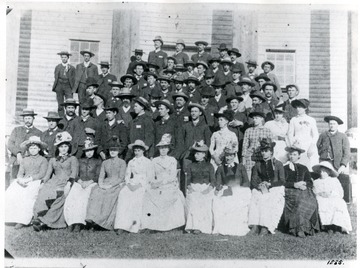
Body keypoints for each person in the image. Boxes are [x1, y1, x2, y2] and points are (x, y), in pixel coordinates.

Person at [32, 131, 79, 231]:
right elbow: (48, 174)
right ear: (58, 148)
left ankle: (45, 221)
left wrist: (69, 183)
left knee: (60, 195)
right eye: (61, 147)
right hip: (54, 181)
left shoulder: (72, 159)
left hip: (66, 182)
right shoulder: (53, 160)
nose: (63, 149)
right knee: (44, 191)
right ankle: (38, 217)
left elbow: (74, 173)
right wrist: (42, 183)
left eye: (65, 146)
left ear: (69, 147)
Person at [141, 134, 186, 232]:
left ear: (168, 149)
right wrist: (155, 183)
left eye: (165, 148)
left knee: (172, 195)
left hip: (169, 184)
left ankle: (173, 224)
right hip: (157, 184)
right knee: (149, 195)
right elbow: (151, 176)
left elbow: (173, 175)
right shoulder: (155, 161)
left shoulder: (172, 160)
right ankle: (152, 224)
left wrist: (164, 182)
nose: (163, 150)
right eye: (161, 148)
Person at [5, 136, 48, 229]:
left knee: (27, 195)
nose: (33, 150)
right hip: (24, 180)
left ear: (39, 149)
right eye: (31, 148)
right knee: (11, 191)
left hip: (36, 181)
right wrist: (20, 179)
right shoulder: (25, 159)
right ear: (28, 149)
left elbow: (42, 173)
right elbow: (20, 173)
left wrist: (30, 179)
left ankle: (22, 220)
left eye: (35, 148)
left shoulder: (43, 160)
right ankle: (11, 217)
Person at [86, 136, 126, 231]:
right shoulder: (105, 162)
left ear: (118, 151)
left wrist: (111, 185)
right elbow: (101, 176)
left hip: (116, 184)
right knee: (96, 192)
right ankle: (93, 220)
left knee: (109, 195)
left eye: (115, 150)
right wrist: (101, 184)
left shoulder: (122, 162)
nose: (112, 152)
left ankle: (103, 221)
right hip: (105, 182)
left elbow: (121, 178)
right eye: (111, 150)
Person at [114, 140, 155, 234]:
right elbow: (127, 175)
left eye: (139, 150)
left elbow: (150, 177)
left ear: (143, 151)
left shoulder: (148, 162)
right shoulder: (131, 162)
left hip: (142, 184)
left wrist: (139, 185)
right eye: (135, 150)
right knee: (123, 194)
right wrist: (128, 184)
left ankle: (134, 225)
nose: (137, 152)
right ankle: (122, 225)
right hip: (132, 183)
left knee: (137, 196)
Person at [248, 138, 285, 236]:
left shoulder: (278, 164)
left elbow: (282, 180)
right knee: (255, 196)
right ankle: (255, 225)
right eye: (262, 151)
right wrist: (260, 186)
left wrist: (270, 184)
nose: (264, 153)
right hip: (262, 187)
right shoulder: (258, 165)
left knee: (267, 200)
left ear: (271, 152)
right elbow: (253, 180)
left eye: (266, 151)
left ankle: (265, 226)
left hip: (275, 187)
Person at [64, 137, 101, 232]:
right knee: (72, 196)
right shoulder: (79, 160)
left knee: (84, 197)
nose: (89, 152)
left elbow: (98, 175)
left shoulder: (98, 161)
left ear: (94, 150)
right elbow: (75, 173)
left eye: (91, 150)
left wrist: (89, 182)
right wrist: (79, 181)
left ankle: (79, 223)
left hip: (92, 183)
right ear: (84, 151)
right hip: (79, 182)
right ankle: (71, 222)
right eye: (87, 150)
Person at [212, 145, 251, 236]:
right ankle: (222, 227)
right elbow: (218, 182)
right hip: (226, 189)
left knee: (237, 202)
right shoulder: (221, 168)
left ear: (234, 156)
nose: (228, 158)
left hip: (239, 190)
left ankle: (236, 227)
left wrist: (238, 188)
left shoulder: (240, 167)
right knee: (220, 201)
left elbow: (246, 182)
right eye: (227, 156)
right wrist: (220, 188)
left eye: (231, 155)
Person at [282, 146, 320, 237]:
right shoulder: (285, 168)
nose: (292, 156)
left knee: (309, 199)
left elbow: (310, 182)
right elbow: (282, 182)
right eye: (290, 154)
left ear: (299, 156)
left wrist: (304, 184)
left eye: (294, 154)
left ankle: (307, 228)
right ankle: (298, 228)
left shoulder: (304, 168)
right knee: (299, 199)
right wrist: (294, 184)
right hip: (290, 190)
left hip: (303, 190)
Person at [317, 116, 351, 203]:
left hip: (337, 164)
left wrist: (343, 165)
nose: (332, 125)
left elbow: (347, 152)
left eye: (334, 124)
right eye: (330, 124)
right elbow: (318, 146)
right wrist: (323, 154)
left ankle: (341, 201)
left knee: (338, 182)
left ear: (337, 125)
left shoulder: (342, 136)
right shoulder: (323, 135)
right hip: (325, 162)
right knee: (325, 181)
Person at [312, 162, 352, 234]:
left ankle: (337, 226)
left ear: (329, 172)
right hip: (320, 197)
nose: (322, 173)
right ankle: (327, 226)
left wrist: (331, 193)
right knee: (320, 203)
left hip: (333, 197)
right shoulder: (316, 182)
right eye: (321, 171)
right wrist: (320, 193)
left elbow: (340, 193)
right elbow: (314, 192)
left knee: (339, 203)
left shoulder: (334, 180)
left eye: (324, 171)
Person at [185, 141, 215, 234]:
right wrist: (190, 188)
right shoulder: (190, 166)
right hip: (194, 187)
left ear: (203, 154)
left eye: (198, 153)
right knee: (193, 199)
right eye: (195, 153)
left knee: (204, 201)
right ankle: (193, 226)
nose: (195, 155)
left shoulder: (209, 166)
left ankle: (202, 227)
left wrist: (208, 189)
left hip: (206, 188)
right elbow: (188, 180)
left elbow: (213, 181)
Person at [8, 108, 43, 179]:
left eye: (29, 118)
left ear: (33, 118)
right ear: (23, 119)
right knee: (14, 181)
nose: (27, 120)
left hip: (30, 163)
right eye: (26, 118)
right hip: (16, 160)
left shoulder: (39, 133)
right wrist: (18, 153)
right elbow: (10, 144)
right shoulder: (16, 130)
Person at [287, 99, 319, 170]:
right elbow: (290, 134)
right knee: (298, 165)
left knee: (310, 165)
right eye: (297, 107)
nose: (298, 109)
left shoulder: (311, 120)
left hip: (309, 145)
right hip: (298, 145)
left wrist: (312, 146)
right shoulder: (293, 119)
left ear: (305, 108)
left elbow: (315, 135)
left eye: (300, 107)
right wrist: (293, 145)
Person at [242, 112, 273, 178]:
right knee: (249, 173)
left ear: (262, 119)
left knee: (262, 173)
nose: (254, 120)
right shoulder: (249, 130)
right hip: (250, 156)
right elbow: (245, 145)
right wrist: (244, 157)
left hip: (262, 156)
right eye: (253, 118)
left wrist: (269, 157)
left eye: (256, 118)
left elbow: (270, 146)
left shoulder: (267, 131)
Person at [52, 51, 75, 116]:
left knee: (70, 102)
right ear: (61, 58)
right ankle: (61, 117)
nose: (64, 59)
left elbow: (73, 78)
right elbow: (55, 76)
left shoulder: (72, 68)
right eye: (62, 57)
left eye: (65, 57)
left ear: (68, 58)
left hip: (68, 86)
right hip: (59, 85)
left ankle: (70, 116)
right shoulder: (58, 67)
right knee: (60, 103)